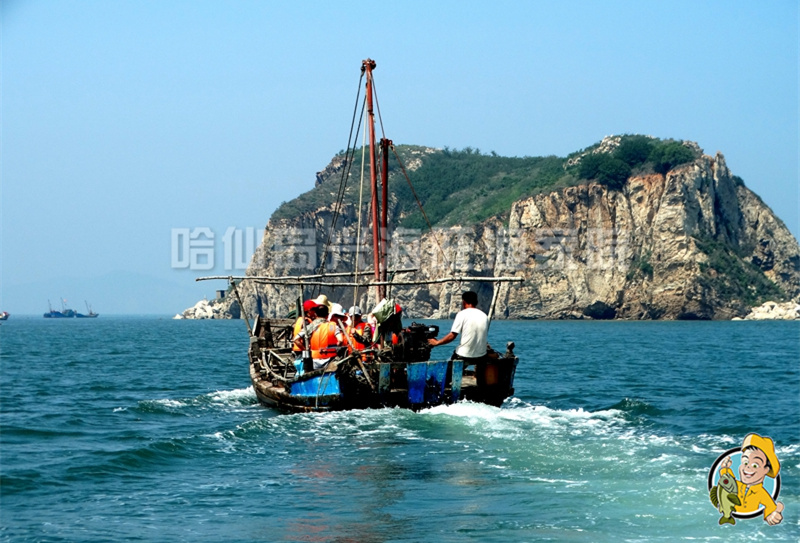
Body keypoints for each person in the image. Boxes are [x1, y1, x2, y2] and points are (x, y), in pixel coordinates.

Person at [718, 433, 784, 525]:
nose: (748, 467)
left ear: (766, 469)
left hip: (749, 528)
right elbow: (727, 478)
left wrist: (772, 516)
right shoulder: (735, 485)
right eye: (745, 462)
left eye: (755, 465)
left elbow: (770, 507)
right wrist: (724, 468)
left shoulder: (761, 493)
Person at [428, 291, 488, 360]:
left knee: (448, 365)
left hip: (464, 354)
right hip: (481, 355)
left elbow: (452, 336)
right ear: (476, 302)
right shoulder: (484, 316)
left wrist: (437, 342)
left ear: (464, 302)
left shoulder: (462, 314)